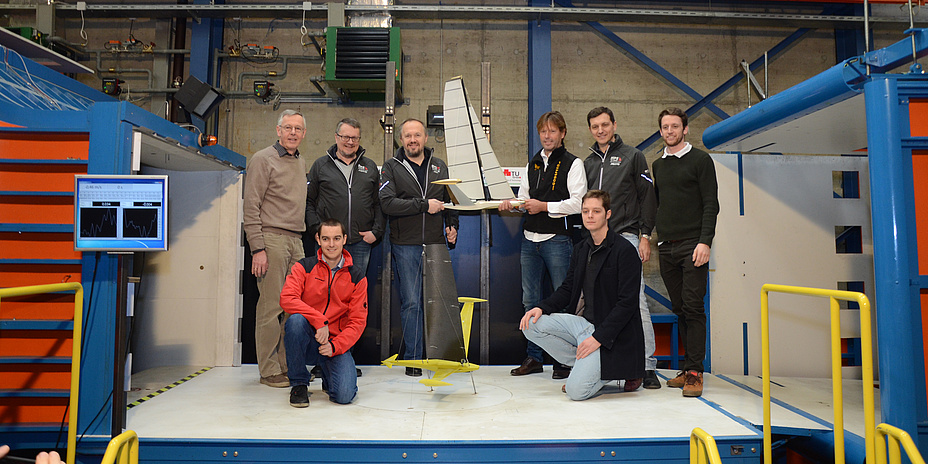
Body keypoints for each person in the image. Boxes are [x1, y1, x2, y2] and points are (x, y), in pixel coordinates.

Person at [520, 190, 645, 400]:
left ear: (608, 214)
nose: (590, 216)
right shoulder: (581, 249)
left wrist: (598, 338)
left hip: (611, 336)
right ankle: (586, 366)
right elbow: (567, 288)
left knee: (576, 393)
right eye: (586, 211)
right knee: (530, 324)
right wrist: (542, 307)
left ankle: (604, 372)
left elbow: (627, 304)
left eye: (596, 211)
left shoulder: (624, 251)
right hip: (584, 327)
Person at [500, 111, 586, 380]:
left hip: (558, 240)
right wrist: (510, 205)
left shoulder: (574, 164)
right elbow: (525, 200)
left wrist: (544, 206)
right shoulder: (533, 163)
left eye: (552, 131)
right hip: (529, 240)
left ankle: (563, 361)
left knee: (562, 302)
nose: (547, 136)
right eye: (543, 132)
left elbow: (578, 203)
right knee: (530, 301)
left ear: (562, 133)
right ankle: (534, 357)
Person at [584, 106, 660, 389]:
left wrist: (644, 235)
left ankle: (647, 365)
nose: (600, 130)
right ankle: (608, 363)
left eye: (605, 125)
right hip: (597, 243)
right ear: (590, 129)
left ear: (614, 125)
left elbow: (647, 197)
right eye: (595, 126)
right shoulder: (588, 163)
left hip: (626, 237)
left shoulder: (633, 156)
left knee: (635, 301)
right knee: (600, 304)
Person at [379, 118, 459, 376]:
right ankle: (413, 358)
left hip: (436, 243)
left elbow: (449, 199)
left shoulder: (439, 165)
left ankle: (440, 357)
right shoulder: (391, 167)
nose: (412, 140)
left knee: (439, 302)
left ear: (425, 138)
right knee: (412, 303)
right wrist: (424, 205)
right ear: (401, 140)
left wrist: (452, 223)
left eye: (417, 135)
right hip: (406, 245)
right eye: (407, 136)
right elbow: (387, 204)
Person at [652, 107, 720, 398]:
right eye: (665, 127)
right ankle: (686, 369)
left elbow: (710, 204)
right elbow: (657, 204)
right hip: (666, 248)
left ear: (685, 129)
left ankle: (695, 372)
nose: (670, 131)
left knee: (693, 307)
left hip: (693, 245)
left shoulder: (701, 161)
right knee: (679, 307)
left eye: (675, 126)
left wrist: (705, 242)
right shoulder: (658, 165)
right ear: (661, 131)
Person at [243, 109, 308, 388]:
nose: (293, 133)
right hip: (271, 240)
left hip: (296, 241)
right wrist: (258, 248)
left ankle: (287, 365)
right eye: (288, 128)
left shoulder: (301, 161)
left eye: (298, 129)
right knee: (271, 308)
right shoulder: (262, 159)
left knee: (294, 308)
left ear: (304, 134)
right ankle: (268, 370)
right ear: (278, 130)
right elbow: (251, 206)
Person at [281, 218, 368, 407]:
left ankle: (329, 378)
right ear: (318, 240)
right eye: (326, 239)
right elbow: (287, 299)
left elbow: (357, 322)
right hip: (309, 337)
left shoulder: (357, 276)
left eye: (336, 238)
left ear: (344, 239)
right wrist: (319, 321)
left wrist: (336, 346)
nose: (331, 244)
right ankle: (299, 384)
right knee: (295, 321)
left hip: (334, 343)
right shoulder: (304, 266)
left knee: (344, 396)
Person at [305, 117, 383, 275]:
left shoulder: (370, 167)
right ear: (336, 137)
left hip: (360, 243)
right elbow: (308, 202)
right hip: (329, 243)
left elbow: (378, 203)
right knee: (326, 288)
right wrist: (317, 231)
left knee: (356, 290)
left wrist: (376, 232)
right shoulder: (321, 166)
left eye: (354, 138)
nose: (350, 142)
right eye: (345, 137)